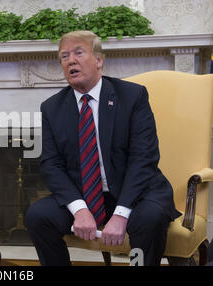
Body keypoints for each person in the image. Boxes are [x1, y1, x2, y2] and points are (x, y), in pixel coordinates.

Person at [25, 30, 181, 266]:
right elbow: (51, 164)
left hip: (135, 194)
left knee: (149, 219)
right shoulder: (52, 107)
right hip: (85, 196)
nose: (70, 61)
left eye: (78, 53)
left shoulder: (131, 96)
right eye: (64, 56)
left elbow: (144, 158)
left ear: (99, 60)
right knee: (38, 216)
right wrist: (79, 209)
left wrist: (120, 214)